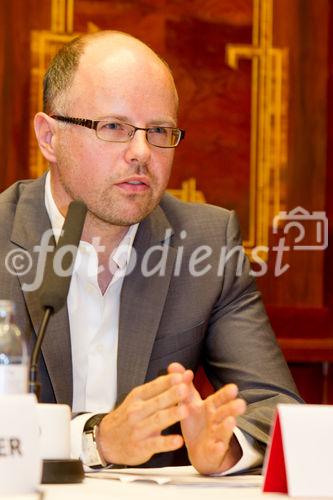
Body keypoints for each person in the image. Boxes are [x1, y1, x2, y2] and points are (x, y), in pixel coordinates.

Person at [0, 31, 302, 474]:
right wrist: (95, 439)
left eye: (158, 130)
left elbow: (276, 408)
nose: (141, 152)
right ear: (49, 137)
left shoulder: (207, 243)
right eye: (114, 127)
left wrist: (228, 446)